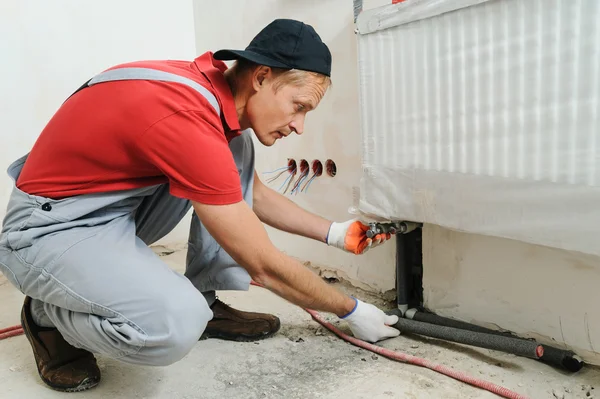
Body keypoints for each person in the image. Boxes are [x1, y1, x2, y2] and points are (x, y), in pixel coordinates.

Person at [0, 18, 399, 392]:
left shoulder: (212, 98)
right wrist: (350, 310)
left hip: (106, 212)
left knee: (234, 144)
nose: (299, 125)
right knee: (172, 326)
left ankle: (205, 298)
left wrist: (336, 234)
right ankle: (45, 317)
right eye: (299, 106)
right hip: (46, 231)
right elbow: (262, 264)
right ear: (262, 77)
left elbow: (249, 193)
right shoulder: (184, 116)